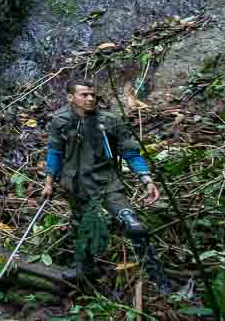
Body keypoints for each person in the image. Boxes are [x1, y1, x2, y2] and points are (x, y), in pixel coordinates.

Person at [42, 80, 173, 293]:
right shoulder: (61, 121)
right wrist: (49, 182)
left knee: (134, 226)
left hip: (106, 184)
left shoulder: (110, 121)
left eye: (93, 95)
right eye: (84, 95)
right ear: (70, 98)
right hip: (75, 186)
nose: (91, 99)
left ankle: (159, 279)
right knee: (81, 227)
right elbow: (55, 151)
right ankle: (85, 270)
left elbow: (130, 152)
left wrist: (147, 179)